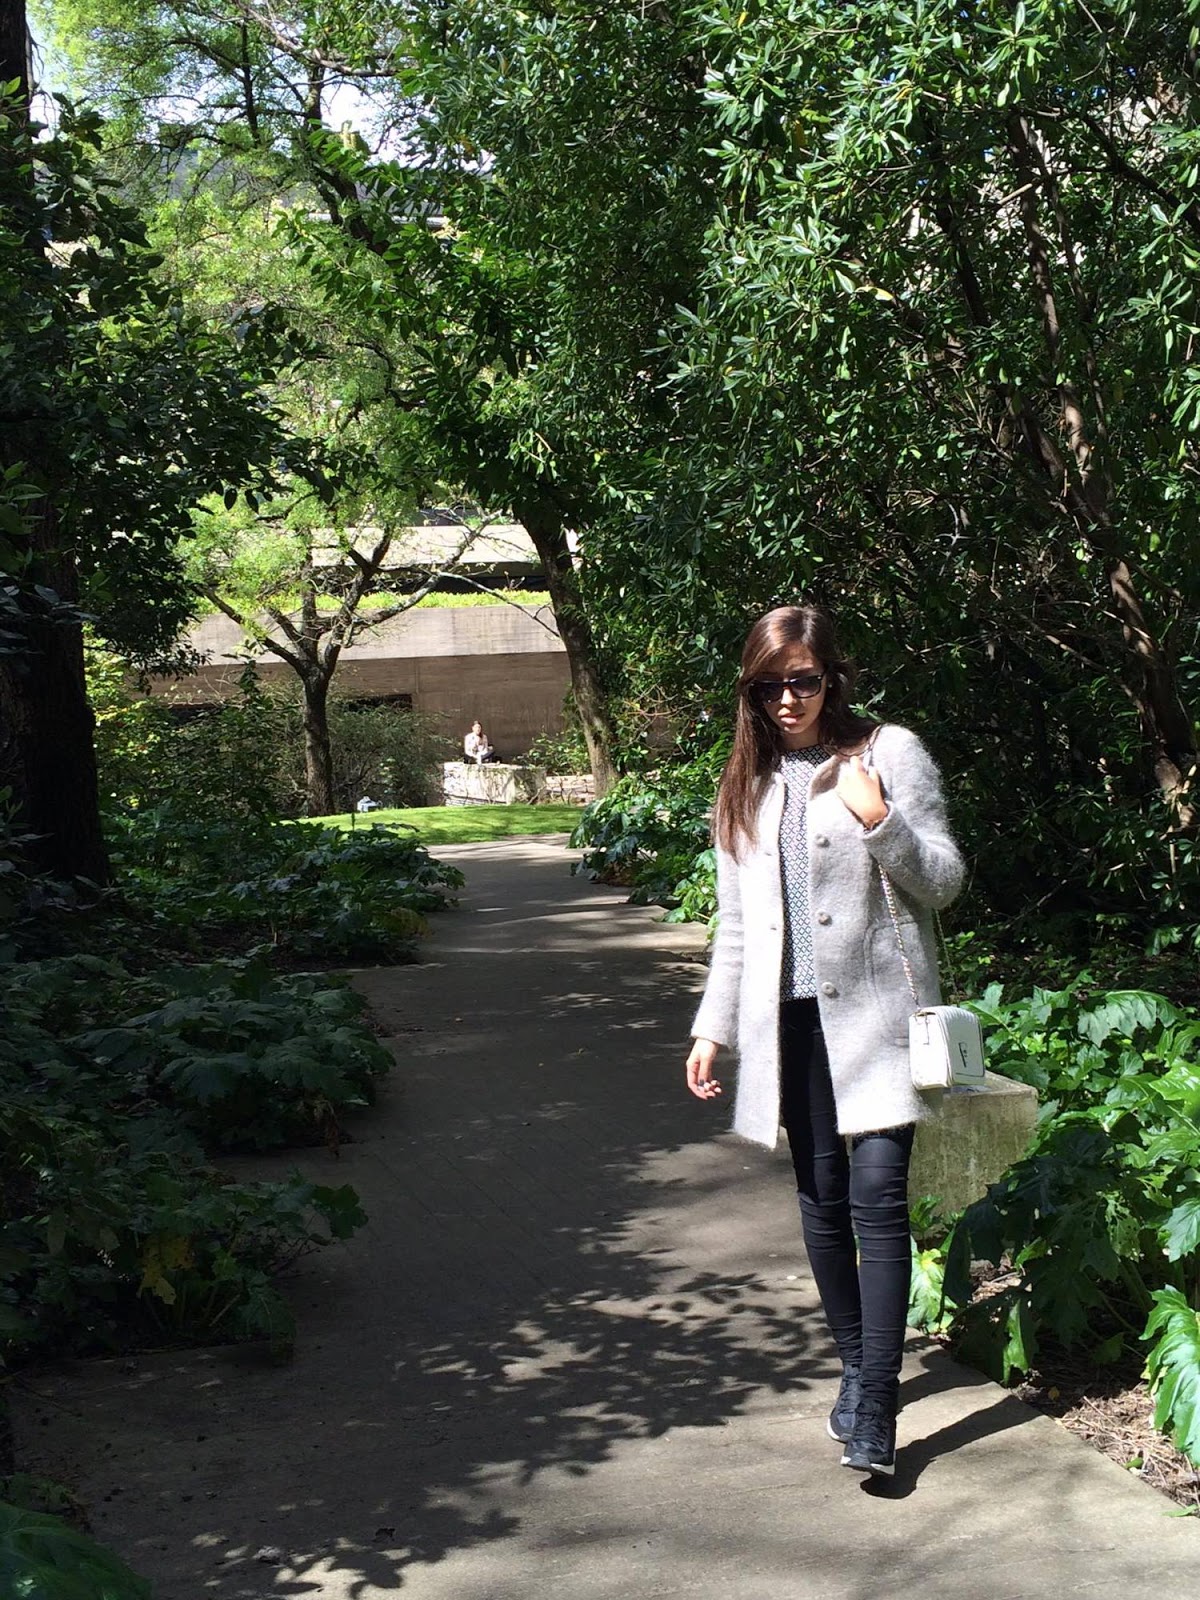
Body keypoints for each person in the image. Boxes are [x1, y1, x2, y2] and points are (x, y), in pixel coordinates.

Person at [685, 603, 964, 1477]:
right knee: (822, 1201)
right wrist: (712, 1028)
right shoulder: (745, 785)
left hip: (878, 1023)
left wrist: (881, 821)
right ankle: (855, 1367)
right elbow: (737, 928)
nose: (786, 700)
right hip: (790, 1026)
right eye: (768, 687)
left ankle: (876, 1402)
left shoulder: (888, 753)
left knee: (878, 1201)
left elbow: (945, 882)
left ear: (832, 676)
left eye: (801, 680)